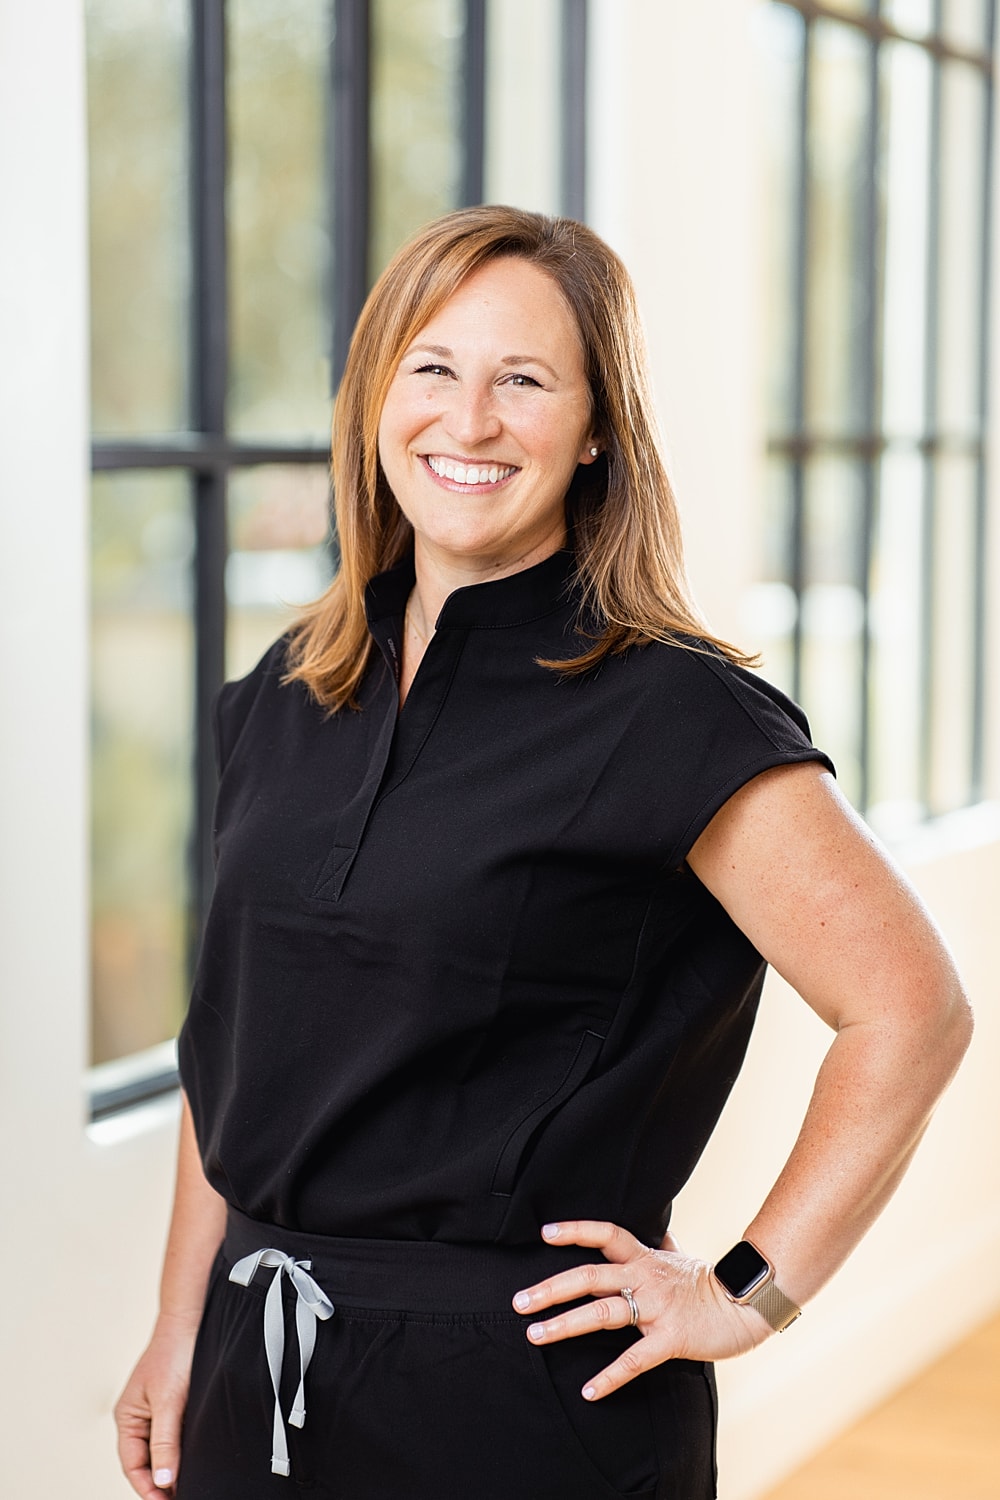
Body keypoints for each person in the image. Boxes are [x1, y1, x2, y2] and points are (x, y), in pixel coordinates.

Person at [115, 205, 972, 1500]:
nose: (468, 423)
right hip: (261, 1378)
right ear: (374, 400)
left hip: (519, 1413)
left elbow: (911, 1009)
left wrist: (744, 1292)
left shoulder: (673, 713)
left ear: (594, 432)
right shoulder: (280, 696)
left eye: (523, 380)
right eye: (435, 370)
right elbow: (227, 1051)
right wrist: (180, 1326)